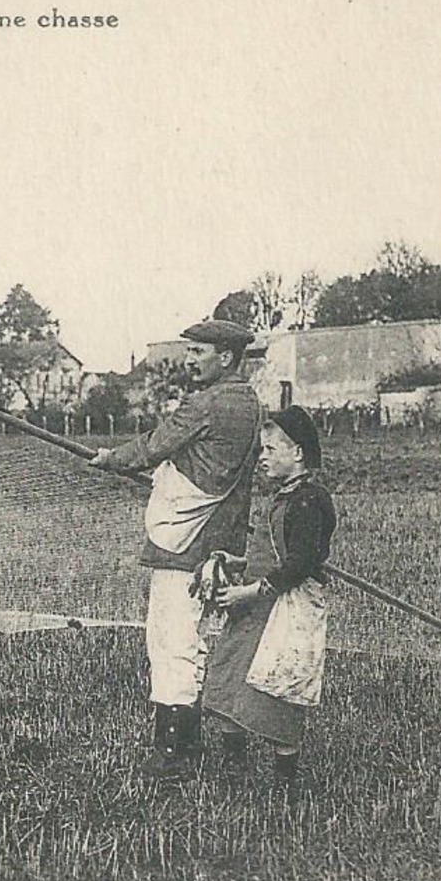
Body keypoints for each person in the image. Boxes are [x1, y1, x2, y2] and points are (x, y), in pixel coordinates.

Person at [88, 319, 263, 777]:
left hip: (187, 542)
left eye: (198, 352)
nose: (189, 360)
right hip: (222, 541)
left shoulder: (205, 404)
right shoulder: (249, 402)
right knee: (197, 638)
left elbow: (153, 447)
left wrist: (111, 460)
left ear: (225, 357)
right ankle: (199, 741)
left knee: (172, 639)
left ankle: (175, 752)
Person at [202, 406, 337, 789]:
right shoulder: (284, 495)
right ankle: (234, 770)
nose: (262, 458)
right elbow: (273, 552)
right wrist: (238, 561)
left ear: (297, 453)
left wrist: (249, 591)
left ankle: (285, 784)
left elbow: (299, 564)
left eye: (270, 450)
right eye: (262, 450)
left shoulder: (309, 500)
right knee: (227, 677)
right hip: (255, 606)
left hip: (285, 608)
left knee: (279, 690)